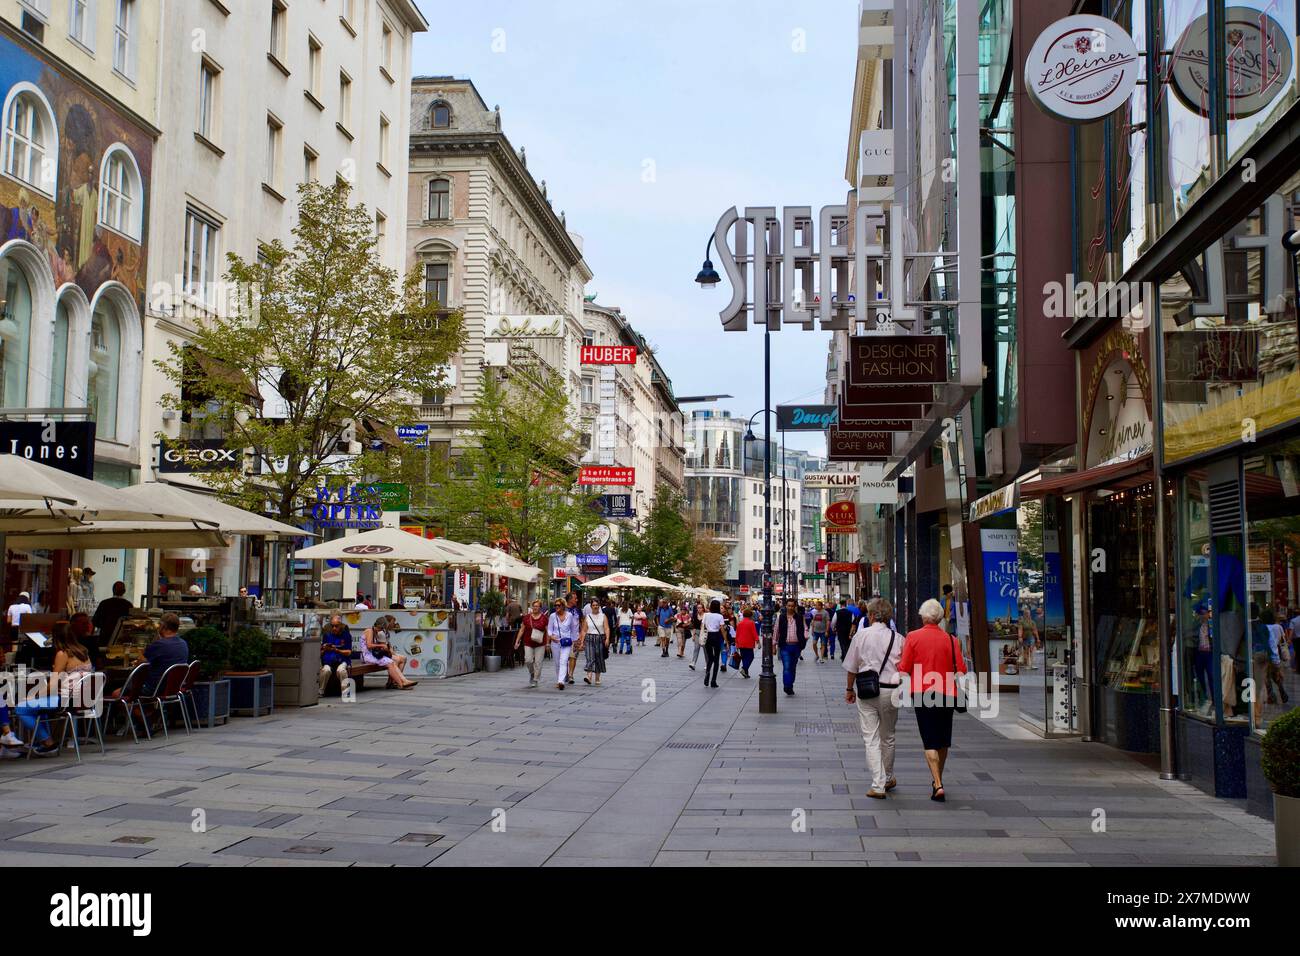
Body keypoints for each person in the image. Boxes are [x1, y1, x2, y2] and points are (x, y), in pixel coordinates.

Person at [898, 598, 968, 802]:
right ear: (939, 618)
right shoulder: (951, 639)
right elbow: (961, 669)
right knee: (943, 740)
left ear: (923, 616)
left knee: (929, 739)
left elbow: (904, 667)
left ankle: (937, 783)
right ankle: (938, 778)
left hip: (923, 693)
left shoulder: (913, 636)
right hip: (948, 693)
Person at [843, 597, 903, 799]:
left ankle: (878, 784)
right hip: (891, 691)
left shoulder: (861, 636)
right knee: (888, 737)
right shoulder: (899, 638)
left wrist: (849, 689)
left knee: (871, 738)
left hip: (867, 690)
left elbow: (852, 665)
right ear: (888, 616)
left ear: (870, 615)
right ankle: (887, 778)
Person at [14, 623, 95, 756]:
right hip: (81, 698)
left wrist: (32, 695)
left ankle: (48, 742)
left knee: (21, 708)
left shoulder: (63, 654)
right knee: (40, 709)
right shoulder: (83, 652)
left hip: (65, 700)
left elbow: (52, 685)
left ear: (56, 637)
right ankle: (43, 743)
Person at [363, 615, 417, 689]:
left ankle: (403, 681)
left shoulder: (375, 631)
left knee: (391, 662)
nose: (382, 630)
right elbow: (369, 645)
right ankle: (401, 684)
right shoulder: (370, 631)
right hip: (368, 656)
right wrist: (381, 645)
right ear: (381, 625)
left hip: (373, 655)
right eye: (382, 628)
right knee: (391, 662)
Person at [143, 613, 189, 696]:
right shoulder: (183, 643)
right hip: (174, 688)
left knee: (116, 694)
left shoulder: (159, 644)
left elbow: (142, 663)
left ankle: (136, 708)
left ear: (162, 626)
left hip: (155, 688)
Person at [515, 600, 549, 688]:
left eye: (537, 606)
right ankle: (532, 673)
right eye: (534, 606)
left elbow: (548, 631)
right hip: (528, 642)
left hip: (540, 643)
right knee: (528, 660)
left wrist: (548, 643)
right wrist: (517, 641)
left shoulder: (544, 618)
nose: (535, 608)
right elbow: (522, 630)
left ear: (540, 608)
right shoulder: (526, 617)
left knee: (538, 662)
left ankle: (535, 679)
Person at [775, 599, 806, 695]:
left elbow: (805, 629)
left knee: (793, 667)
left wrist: (804, 640)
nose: (790, 607)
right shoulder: (781, 617)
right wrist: (774, 645)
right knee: (787, 667)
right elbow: (776, 631)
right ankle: (787, 686)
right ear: (786, 606)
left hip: (796, 646)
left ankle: (790, 685)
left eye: (792, 606)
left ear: (795, 607)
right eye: (789, 605)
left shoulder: (800, 617)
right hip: (785, 646)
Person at [547, 598, 579, 690]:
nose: (557, 607)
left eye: (558, 605)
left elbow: (573, 629)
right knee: (557, 662)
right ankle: (559, 678)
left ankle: (561, 681)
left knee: (564, 661)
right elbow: (549, 629)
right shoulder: (553, 616)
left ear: (563, 606)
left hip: (566, 642)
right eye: (555, 605)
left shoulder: (569, 615)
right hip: (555, 642)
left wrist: (574, 641)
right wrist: (551, 636)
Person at [319, 615, 353, 694]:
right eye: (332, 626)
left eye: (336, 626)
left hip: (342, 659)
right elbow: (321, 652)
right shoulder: (327, 635)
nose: (334, 628)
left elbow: (349, 652)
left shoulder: (346, 635)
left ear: (340, 625)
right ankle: (321, 691)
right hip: (328, 660)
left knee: (341, 671)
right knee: (325, 670)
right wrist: (324, 648)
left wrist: (337, 650)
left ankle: (345, 691)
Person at [92, 581, 133, 646]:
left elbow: (95, 621)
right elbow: (131, 623)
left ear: (113, 590)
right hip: (121, 640)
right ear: (124, 591)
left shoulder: (104, 603)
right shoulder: (128, 605)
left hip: (105, 639)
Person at [581, 597, 610, 685]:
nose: (595, 607)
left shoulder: (603, 616)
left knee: (599, 658)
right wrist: (582, 641)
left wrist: (607, 638)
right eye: (593, 605)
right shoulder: (588, 617)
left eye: (597, 605)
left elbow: (606, 628)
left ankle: (597, 678)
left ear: (599, 606)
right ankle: (589, 676)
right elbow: (584, 630)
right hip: (589, 638)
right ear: (591, 606)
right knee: (590, 657)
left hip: (600, 638)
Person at [699, 599, 726, 688]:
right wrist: (726, 640)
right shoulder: (720, 616)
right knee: (716, 659)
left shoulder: (706, 615)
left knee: (710, 658)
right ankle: (713, 680)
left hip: (708, 636)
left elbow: (702, 626)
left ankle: (707, 674)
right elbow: (722, 629)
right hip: (716, 636)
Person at [734, 606, 759, 677]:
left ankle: (746, 673)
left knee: (744, 657)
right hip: (748, 643)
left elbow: (737, 633)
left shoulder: (740, 623)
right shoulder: (751, 623)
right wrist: (758, 641)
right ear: (750, 615)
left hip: (741, 643)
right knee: (751, 657)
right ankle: (744, 668)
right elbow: (754, 633)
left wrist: (736, 642)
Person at [831, 597, 855, 662]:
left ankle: (844, 655)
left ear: (840, 605)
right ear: (846, 604)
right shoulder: (850, 612)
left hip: (840, 630)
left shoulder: (837, 612)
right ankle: (845, 655)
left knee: (842, 643)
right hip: (848, 630)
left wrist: (833, 628)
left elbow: (833, 622)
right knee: (847, 643)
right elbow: (853, 621)